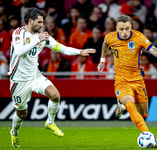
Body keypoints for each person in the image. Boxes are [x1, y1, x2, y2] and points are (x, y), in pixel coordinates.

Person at [9, 7, 95, 148]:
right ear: (30, 21)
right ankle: (14, 132)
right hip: (19, 80)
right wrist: (37, 40)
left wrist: (80, 51)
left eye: (42, 22)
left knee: (55, 95)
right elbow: (18, 51)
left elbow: (62, 48)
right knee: (22, 113)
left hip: (35, 76)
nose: (42, 25)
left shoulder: (43, 37)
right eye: (39, 22)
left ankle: (50, 122)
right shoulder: (19, 33)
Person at [97, 15, 157, 148]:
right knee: (130, 103)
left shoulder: (139, 37)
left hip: (138, 80)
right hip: (121, 80)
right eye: (121, 29)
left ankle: (121, 106)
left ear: (131, 26)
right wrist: (102, 61)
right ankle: (149, 136)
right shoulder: (110, 37)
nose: (125, 32)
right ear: (117, 28)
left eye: (127, 28)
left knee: (144, 112)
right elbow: (105, 44)